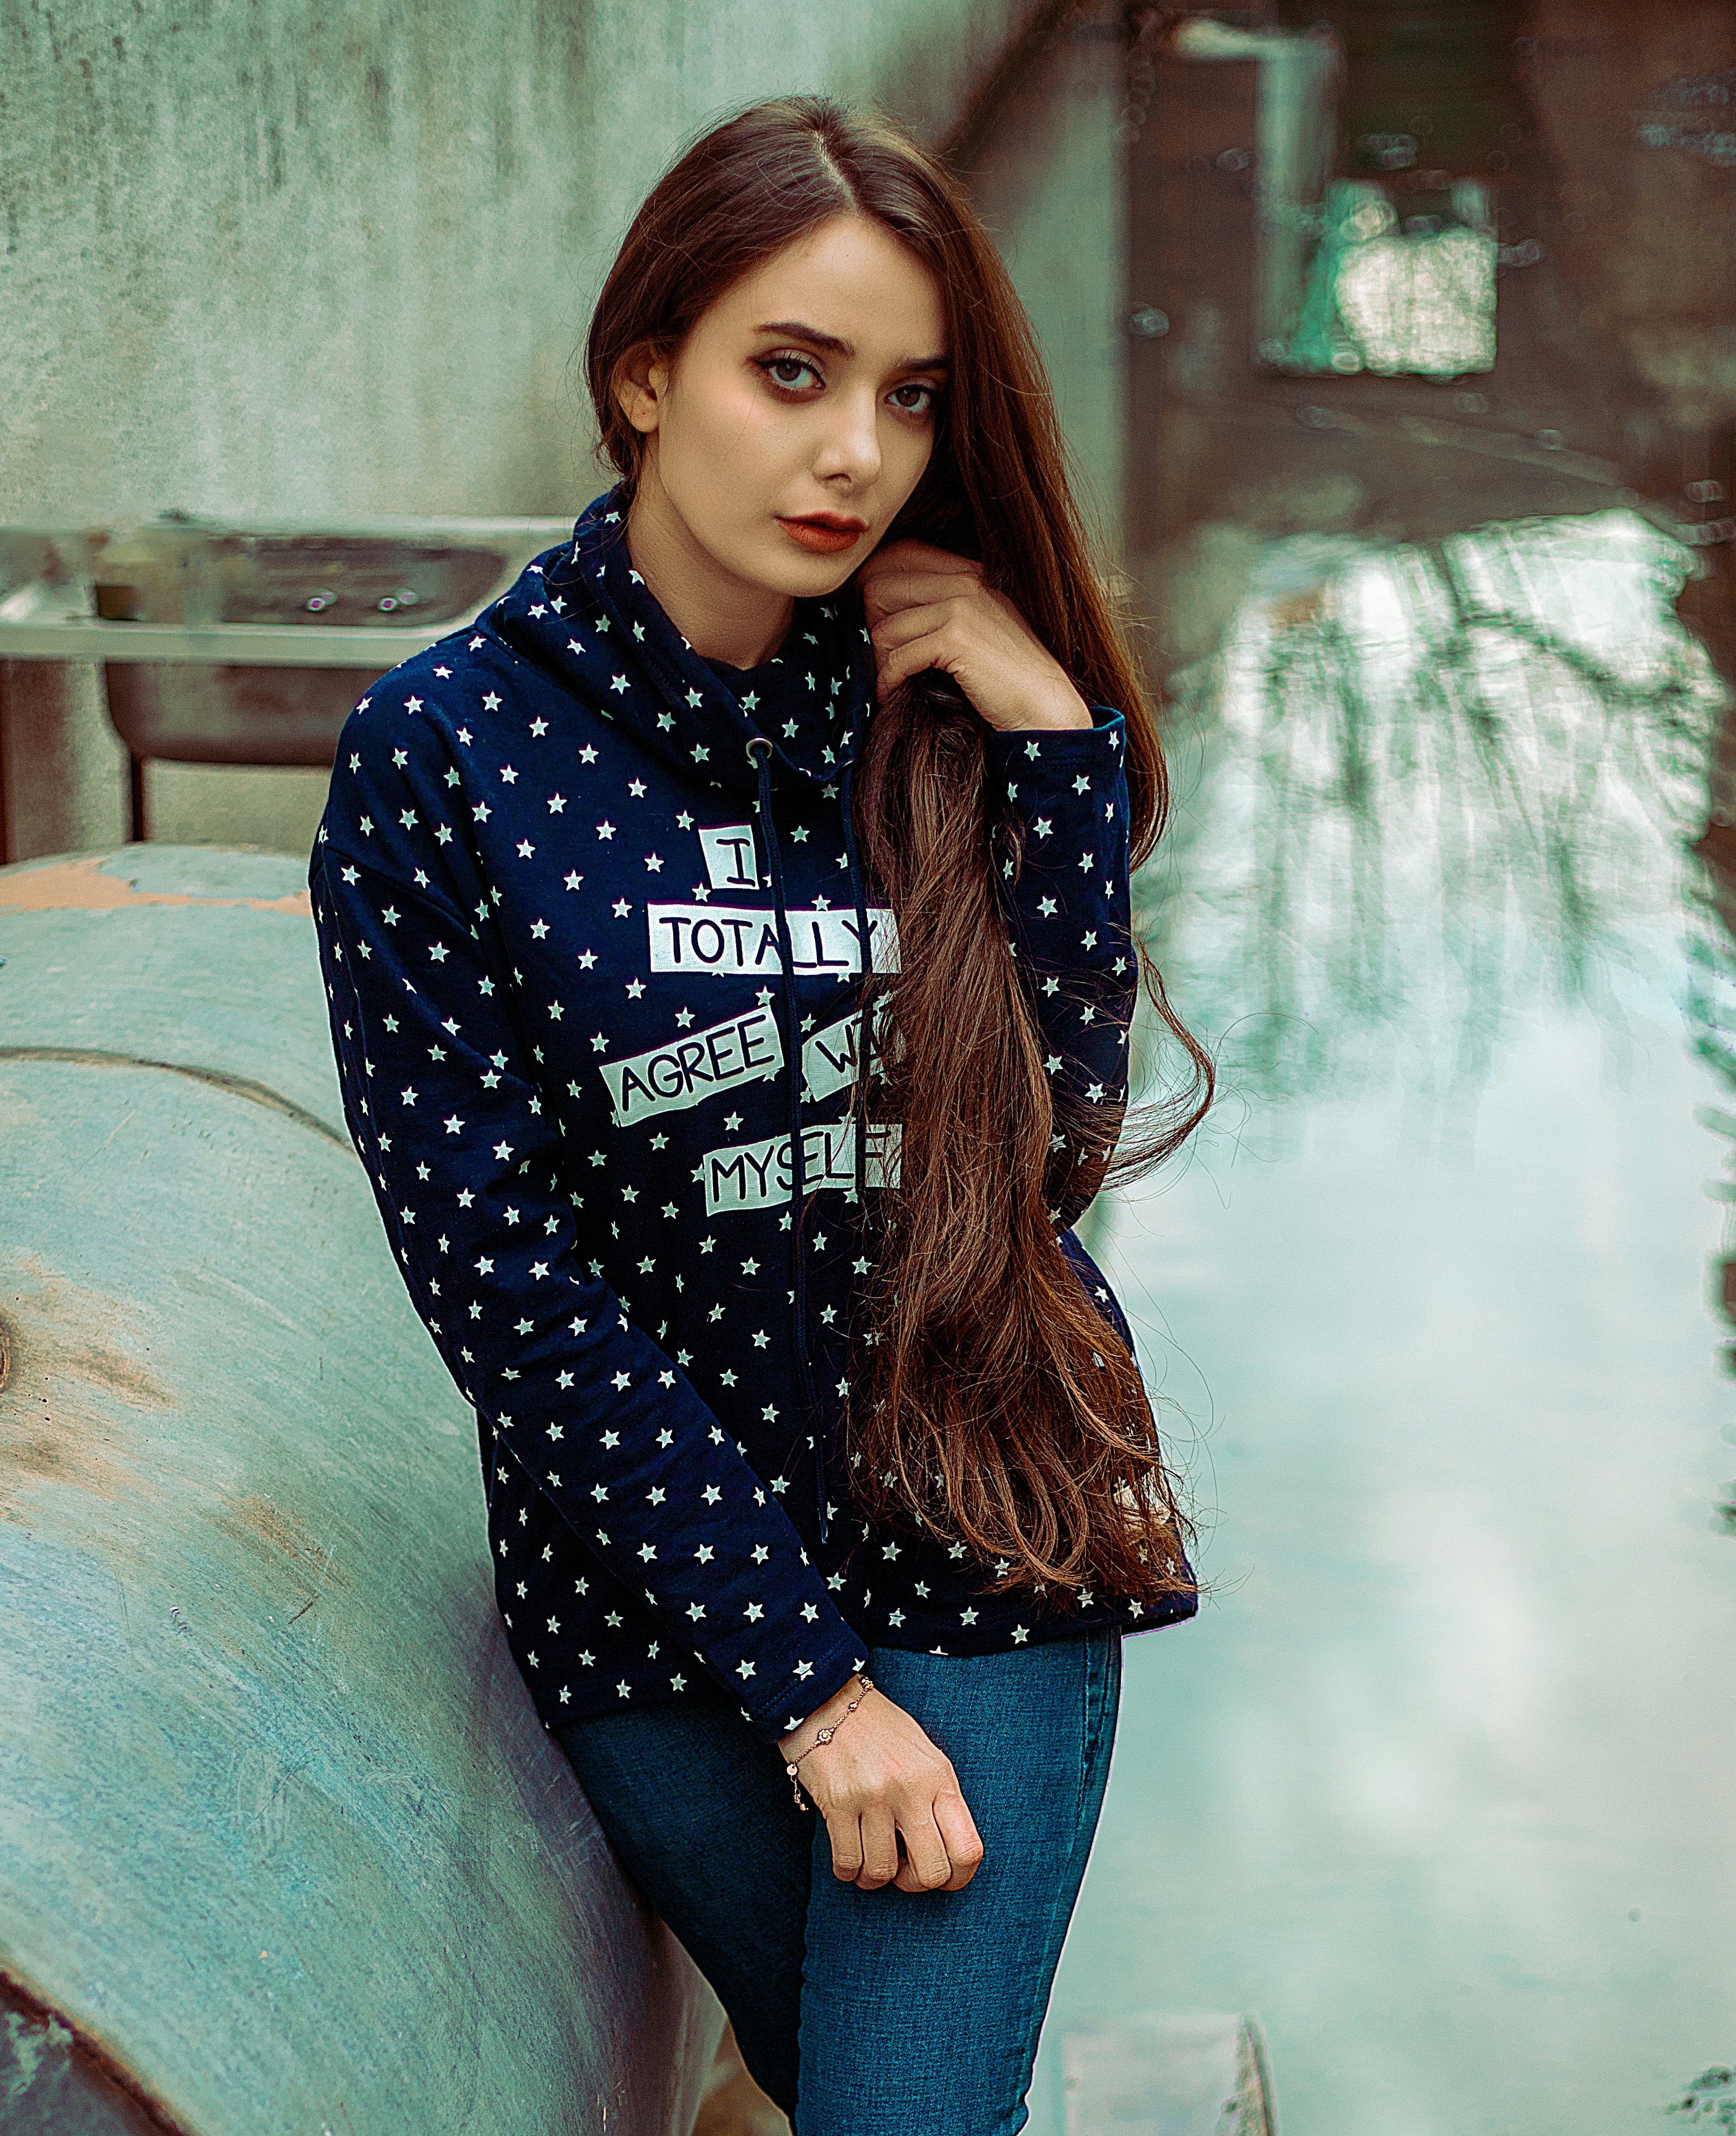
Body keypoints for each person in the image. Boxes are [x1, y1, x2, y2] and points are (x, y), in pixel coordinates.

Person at [308, 94, 1210, 2136]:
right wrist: (810, 1691)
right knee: (852, 2081)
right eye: (789, 373)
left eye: (908, 398)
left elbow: (1049, 1158)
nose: (853, 455)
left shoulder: (936, 712)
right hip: (659, 1615)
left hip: (981, 1531)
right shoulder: (443, 756)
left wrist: (1051, 747)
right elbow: (505, 1285)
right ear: (646, 375)